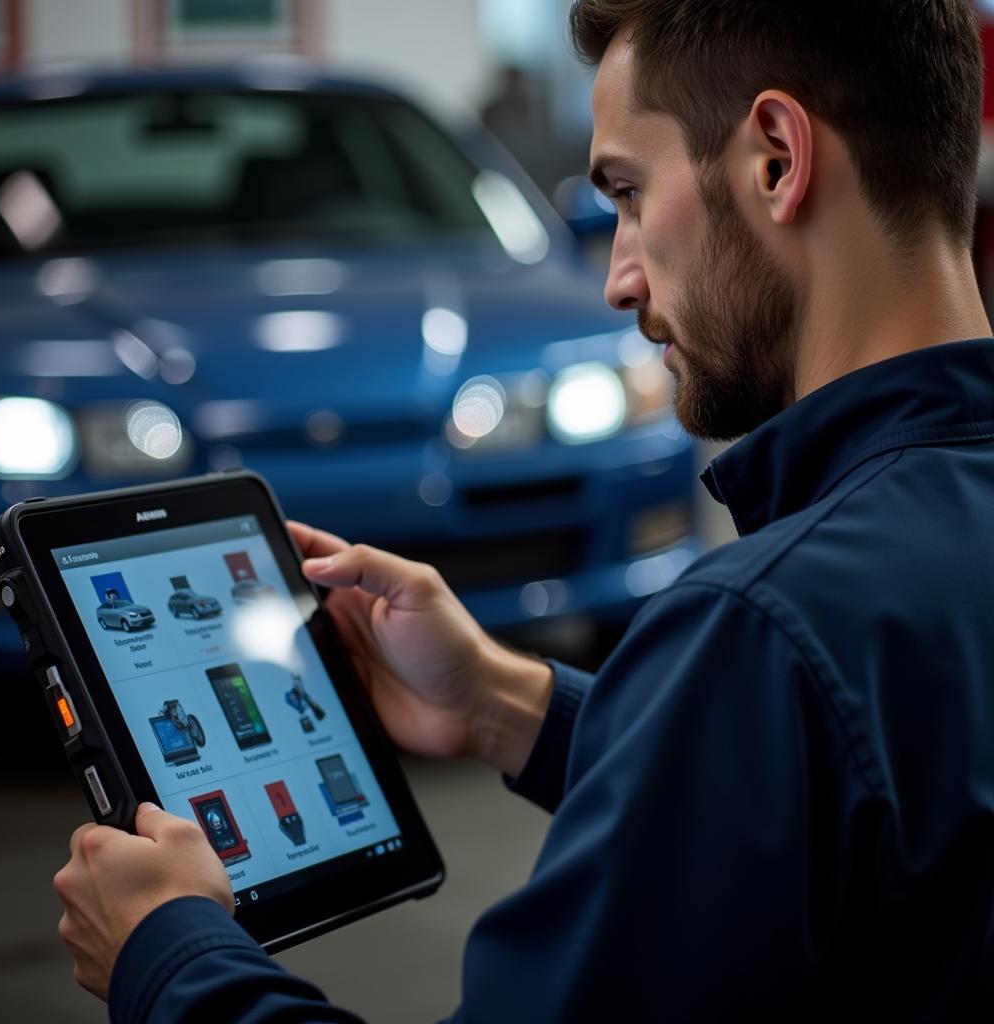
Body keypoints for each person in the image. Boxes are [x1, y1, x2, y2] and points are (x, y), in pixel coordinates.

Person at [53, 1, 994, 1020]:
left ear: (775, 158)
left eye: (629, 194)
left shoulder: (761, 633)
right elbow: (877, 797)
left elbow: (799, 726)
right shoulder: (837, 618)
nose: (618, 276)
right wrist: (508, 703)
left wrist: (168, 953)